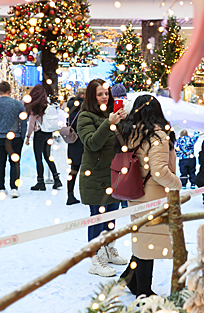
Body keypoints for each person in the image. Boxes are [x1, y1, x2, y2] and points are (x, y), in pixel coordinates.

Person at [117, 95, 182, 297]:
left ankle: (129, 278)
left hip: (135, 192)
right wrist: (177, 183)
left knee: (143, 240)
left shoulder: (131, 133)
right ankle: (143, 291)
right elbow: (160, 171)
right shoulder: (158, 136)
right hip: (153, 196)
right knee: (148, 243)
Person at [77, 79, 128, 277]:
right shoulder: (85, 117)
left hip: (113, 173)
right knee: (97, 218)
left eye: (106, 93)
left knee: (112, 216)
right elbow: (91, 143)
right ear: (92, 96)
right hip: (95, 175)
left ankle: (107, 249)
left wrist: (123, 122)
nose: (105, 97)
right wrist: (109, 123)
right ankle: (94, 258)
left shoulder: (111, 114)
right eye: (100, 94)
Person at [0, 81, 27, 198]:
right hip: (15, 138)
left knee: (0, 163)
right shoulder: (17, 104)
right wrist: (22, 136)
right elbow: (23, 122)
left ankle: (1, 188)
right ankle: (14, 188)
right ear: (10, 91)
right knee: (15, 163)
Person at [25, 85, 63, 191]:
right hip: (48, 133)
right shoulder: (48, 105)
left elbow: (32, 124)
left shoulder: (35, 107)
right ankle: (57, 179)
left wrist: (28, 136)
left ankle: (40, 182)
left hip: (39, 134)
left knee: (39, 158)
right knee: (48, 156)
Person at [111, 83, 131, 208]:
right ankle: (123, 200)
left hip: (120, 144)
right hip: (126, 145)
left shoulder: (128, 108)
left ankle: (121, 199)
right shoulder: (131, 106)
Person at [66, 89, 85, 205]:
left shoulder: (71, 106)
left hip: (73, 141)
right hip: (83, 141)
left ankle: (70, 194)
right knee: (86, 169)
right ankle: (84, 194)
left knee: (74, 169)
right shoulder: (85, 107)